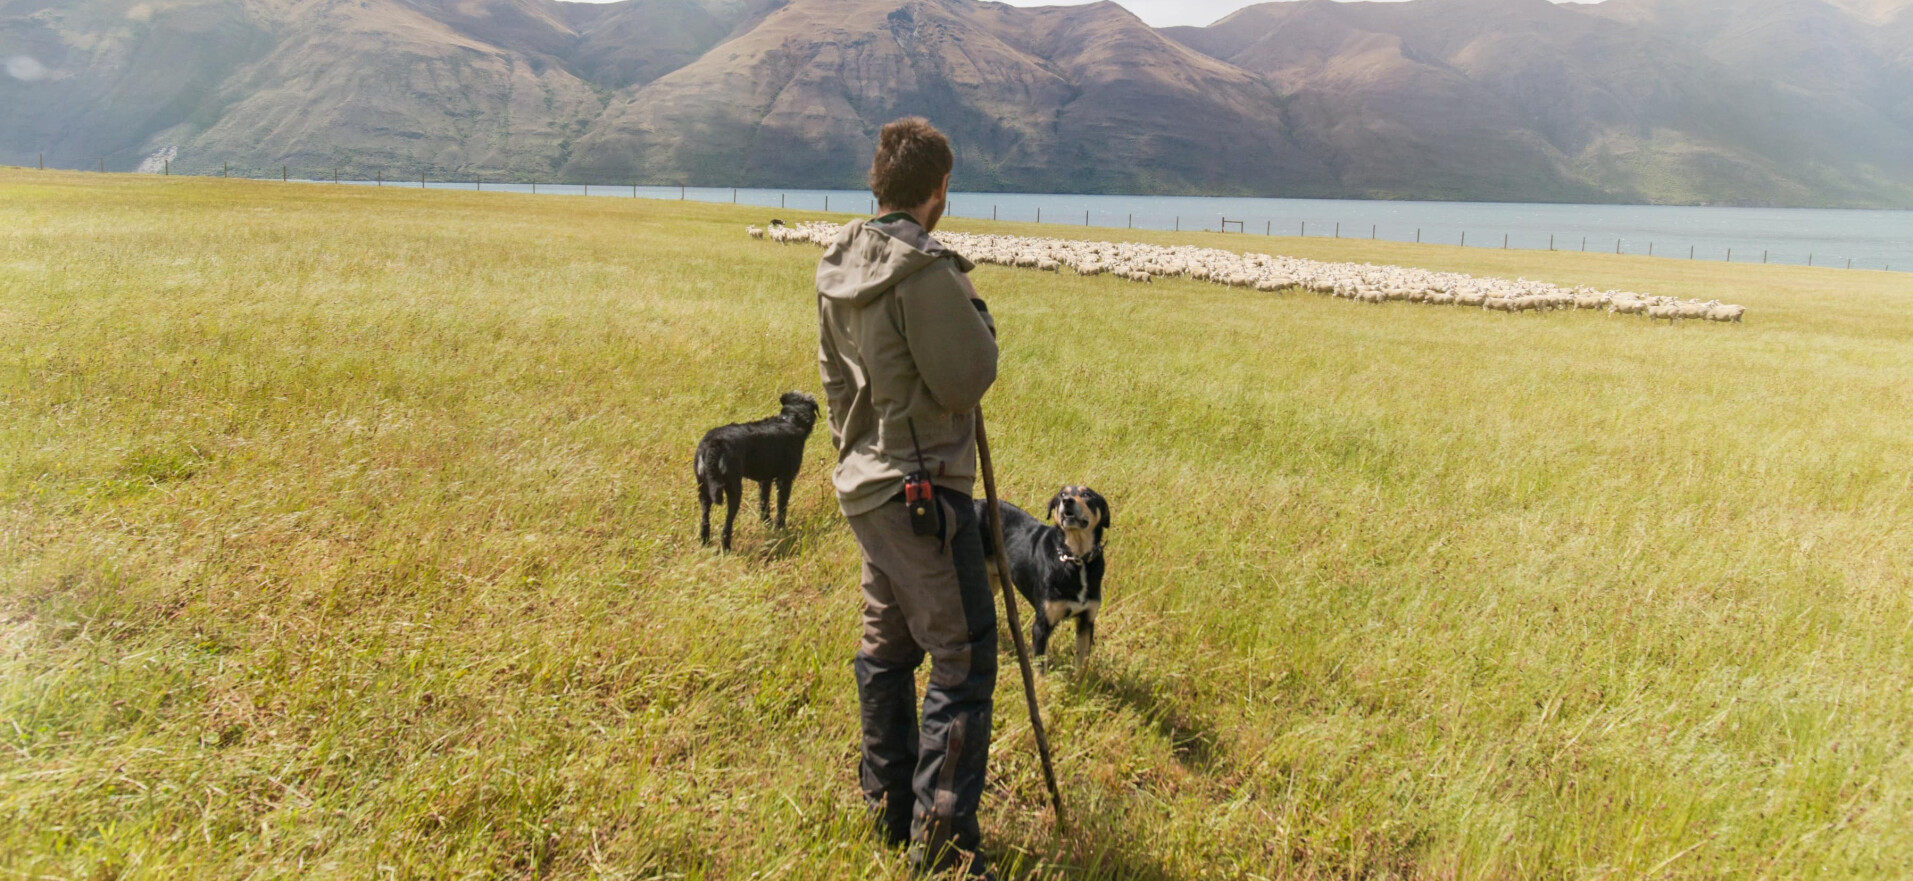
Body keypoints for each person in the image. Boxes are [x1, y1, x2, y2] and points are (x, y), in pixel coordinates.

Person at [815, 117, 1000, 877]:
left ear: (879, 181)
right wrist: (977, 311)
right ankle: (944, 846)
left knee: (886, 649)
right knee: (963, 658)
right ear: (938, 188)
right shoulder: (925, 271)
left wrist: (859, 457)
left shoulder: (837, 264)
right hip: (924, 494)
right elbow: (967, 377)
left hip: (866, 489)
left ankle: (887, 810)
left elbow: (834, 384)